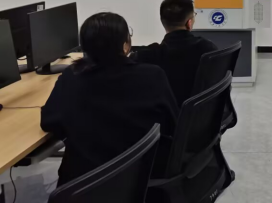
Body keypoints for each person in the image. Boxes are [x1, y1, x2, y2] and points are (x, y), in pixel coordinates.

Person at [41, 13, 178, 187]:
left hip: (84, 185)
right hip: (143, 179)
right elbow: (172, 123)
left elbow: (49, 122)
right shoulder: (153, 75)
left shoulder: (72, 77)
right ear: (125, 44)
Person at [132, 0, 218, 106]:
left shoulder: (146, 56)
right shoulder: (208, 49)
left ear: (163, 22)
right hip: (201, 114)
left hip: (163, 116)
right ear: (189, 23)